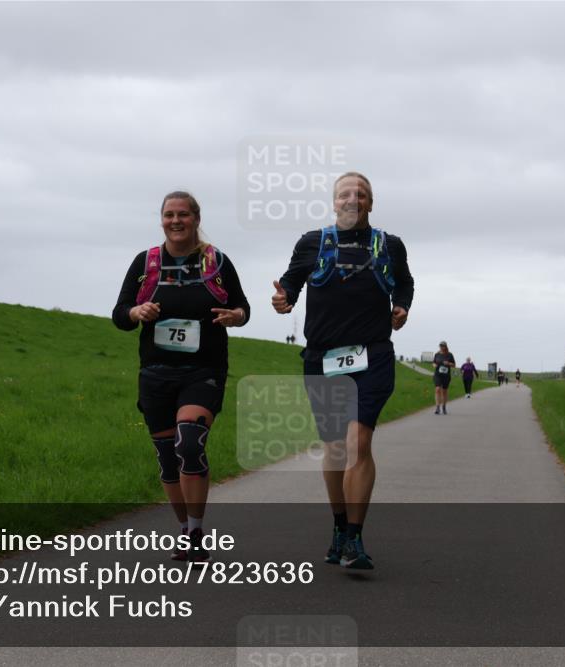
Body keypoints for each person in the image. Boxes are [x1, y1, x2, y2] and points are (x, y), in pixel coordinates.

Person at [272, 171, 414, 570]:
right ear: (334, 202)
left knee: (358, 443)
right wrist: (283, 300)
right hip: (323, 359)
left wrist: (401, 306)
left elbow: (404, 283)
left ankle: (354, 537)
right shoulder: (312, 243)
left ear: (371, 202)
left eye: (363, 193)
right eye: (346, 193)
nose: (354, 198)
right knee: (335, 448)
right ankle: (338, 527)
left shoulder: (390, 245)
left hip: (373, 356)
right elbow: (290, 284)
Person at [113, 191, 250, 565]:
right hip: (156, 373)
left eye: (183, 215)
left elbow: (242, 307)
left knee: (189, 443)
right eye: (169, 215)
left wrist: (235, 317)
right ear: (161, 220)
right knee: (167, 459)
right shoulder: (146, 263)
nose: (176, 221)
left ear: (196, 218)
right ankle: (185, 531)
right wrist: (137, 311)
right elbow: (119, 313)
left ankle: (195, 529)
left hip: (203, 371)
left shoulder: (216, 262)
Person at [432, 341, 456, 414]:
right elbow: (434, 362)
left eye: (443, 346)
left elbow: (454, 365)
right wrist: (434, 365)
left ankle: (444, 407)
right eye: (440, 346)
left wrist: (448, 363)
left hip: (446, 375)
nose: (442, 347)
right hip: (437, 374)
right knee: (437, 389)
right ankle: (437, 407)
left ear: (446, 347)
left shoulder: (449, 355)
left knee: (444, 391)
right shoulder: (437, 354)